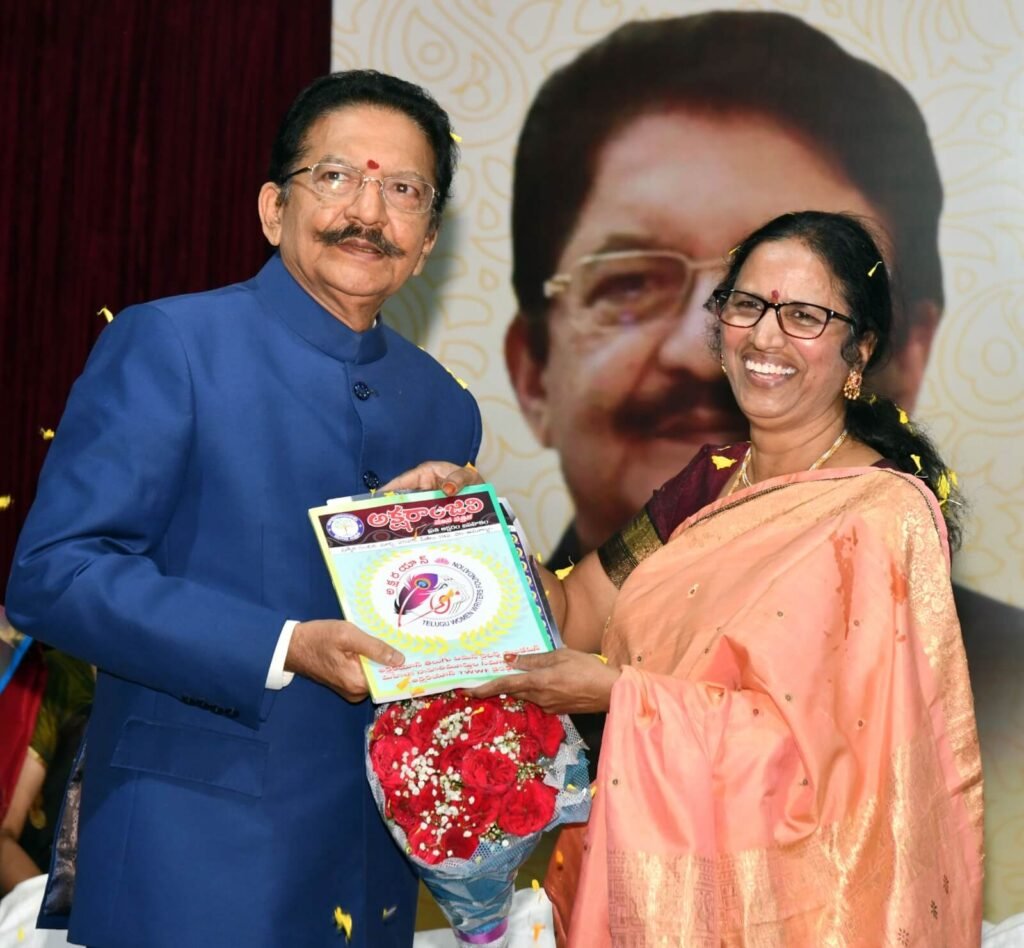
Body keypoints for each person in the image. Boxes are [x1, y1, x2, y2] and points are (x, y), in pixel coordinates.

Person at [4, 70, 482, 947]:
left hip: (370, 868)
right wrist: (283, 646)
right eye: (335, 176)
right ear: (272, 209)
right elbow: (54, 575)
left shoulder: (444, 405)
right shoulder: (172, 343)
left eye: (404, 191)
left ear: (426, 243)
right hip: (187, 859)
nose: (367, 212)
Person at [470, 211, 984, 945]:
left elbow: (852, 775)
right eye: (748, 306)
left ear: (860, 349)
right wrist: (473, 523)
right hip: (650, 873)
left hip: (797, 908)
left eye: (804, 315)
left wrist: (621, 696)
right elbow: (571, 612)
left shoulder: (881, 515)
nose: (766, 337)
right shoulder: (710, 480)